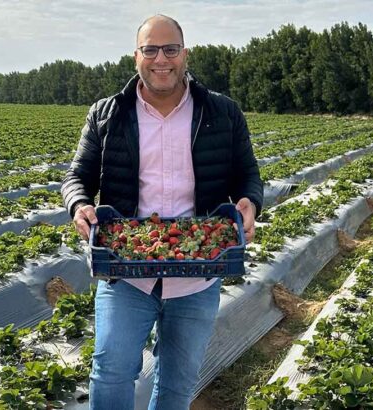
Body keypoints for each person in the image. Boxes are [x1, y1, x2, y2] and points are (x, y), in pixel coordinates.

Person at [61, 14, 263, 409]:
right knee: (112, 369)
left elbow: (247, 174)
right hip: (125, 268)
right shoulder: (107, 114)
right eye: (150, 50)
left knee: (178, 382)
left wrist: (249, 202)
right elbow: (76, 176)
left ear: (185, 54)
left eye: (170, 49)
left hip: (199, 272)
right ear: (136, 56)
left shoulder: (222, 113)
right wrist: (80, 204)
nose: (161, 59)